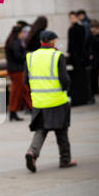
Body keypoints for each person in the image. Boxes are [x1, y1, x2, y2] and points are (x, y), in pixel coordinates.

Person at [25, 30, 77, 172]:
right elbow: (65, 79)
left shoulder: (30, 57)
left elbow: (26, 80)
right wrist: (65, 89)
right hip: (57, 101)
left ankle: (32, 152)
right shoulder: (57, 55)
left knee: (41, 130)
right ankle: (65, 159)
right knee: (61, 131)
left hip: (39, 102)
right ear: (53, 42)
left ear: (41, 42)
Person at [5, 26, 32, 121]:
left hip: (14, 69)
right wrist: (27, 54)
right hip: (17, 70)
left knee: (22, 90)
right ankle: (13, 111)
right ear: (18, 33)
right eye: (21, 33)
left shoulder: (10, 41)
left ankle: (30, 108)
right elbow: (18, 56)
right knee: (17, 92)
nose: (22, 35)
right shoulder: (16, 42)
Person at [89, 20, 99, 98]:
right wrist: (90, 54)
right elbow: (88, 47)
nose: (93, 32)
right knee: (94, 76)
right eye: (92, 30)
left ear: (98, 28)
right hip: (95, 60)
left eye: (95, 30)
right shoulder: (91, 37)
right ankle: (95, 90)